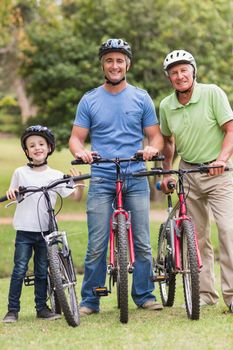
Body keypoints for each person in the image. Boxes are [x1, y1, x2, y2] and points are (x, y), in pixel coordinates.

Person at [69, 38, 164, 316]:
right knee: (97, 243)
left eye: (119, 60)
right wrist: (82, 153)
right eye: (109, 60)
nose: (114, 65)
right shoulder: (89, 100)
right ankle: (90, 300)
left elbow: (156, 136)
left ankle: (144, 294)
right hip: (101, 178)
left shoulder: (141, 97)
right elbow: (76, 139)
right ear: (103, 65)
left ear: (127, 65)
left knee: (143, 241)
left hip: (135, 176)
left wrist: (151, 148)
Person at [159, 49, 233, 312]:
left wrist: (222, 158)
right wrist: (167, 172)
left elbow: (230, 129)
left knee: (228, 231)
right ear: (169, 78)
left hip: (219, 173)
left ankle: (232, 295)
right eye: (174, 73)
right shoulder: (167, 106)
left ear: (193, 71)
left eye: (183, 70)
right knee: (197, 237)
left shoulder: (212, 93)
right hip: (188, 173)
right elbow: (167, 141)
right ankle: (205, 294)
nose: (180, 76)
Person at [2, 125, 80, 323]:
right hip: (25, 231)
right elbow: (13, 192)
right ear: (27, 151)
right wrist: (13, 192)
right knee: (19, 269)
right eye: (32, 145)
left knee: (41, 270)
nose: (37, 148)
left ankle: (41, 308)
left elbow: (74, 196)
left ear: (49, 148)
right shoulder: (21, 172)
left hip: (46, 232)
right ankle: (12, 310)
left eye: (41, 144)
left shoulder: (55, 175)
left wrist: (75, 181)